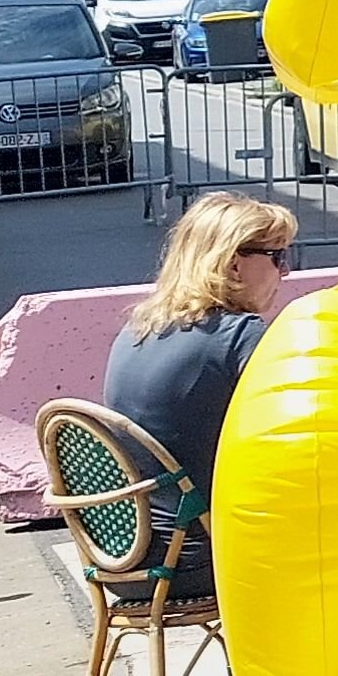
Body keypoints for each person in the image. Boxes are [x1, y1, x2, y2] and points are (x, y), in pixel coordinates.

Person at [101, 192, 298, 601]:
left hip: (119, 555)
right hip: (196, 559)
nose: (287, 271)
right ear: (233, 264)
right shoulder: (239, 337)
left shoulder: (137, 330)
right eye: (277, 257)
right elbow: (300, 436)